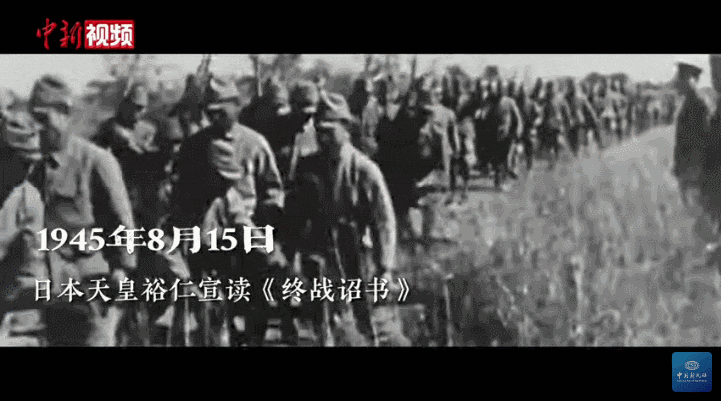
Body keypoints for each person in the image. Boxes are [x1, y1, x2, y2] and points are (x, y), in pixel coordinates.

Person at [166, 76, 288, 346]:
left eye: (221, 111)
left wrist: (268, 232)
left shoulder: (255, 144)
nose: (215, 118)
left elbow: (272, 191)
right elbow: (180, 197)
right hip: (207, 238)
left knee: (254, 305)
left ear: (236, 106)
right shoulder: (194, 146)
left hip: (249, 236)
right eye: (211, 113)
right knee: (210, 311)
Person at [284, 91, 401, 346]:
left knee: (363, 321)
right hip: (319, 256)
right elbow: (293, 218)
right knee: (323, 323)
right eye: (319, 131)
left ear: (346, 128)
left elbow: (384, 222)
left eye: (330, 131)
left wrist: (385, 268)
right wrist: (288, 261)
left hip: (356, 254)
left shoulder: (365, 170)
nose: (323, 138)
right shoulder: (307, 167)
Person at [28, 75, 137, 346]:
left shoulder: (96, 161)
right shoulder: (32, 167)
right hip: (53, 290)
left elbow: (123, 223)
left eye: (43, 119)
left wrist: (122, 270)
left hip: (92, 288)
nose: (37, 129)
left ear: (64, 115)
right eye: (33, 119)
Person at [0, 108, 47, 346]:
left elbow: (30, 266)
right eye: (21, 161)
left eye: (32, 163)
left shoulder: (29, 200)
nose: (28, 170)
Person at [673, 60, 713, 208]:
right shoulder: (690, 103)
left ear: (689, 80)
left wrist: (693, 171)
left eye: (679, 78)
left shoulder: (696, 105)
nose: (676, 82)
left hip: (694, 170)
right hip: (688, 169)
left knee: (696, 212)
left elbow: (700, 140)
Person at [487, 79, 524, 189]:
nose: (498, 91)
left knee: (506, 159)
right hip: (494, 135)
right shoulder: (491, 102)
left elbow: (517, 118)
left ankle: (503, 181)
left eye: (500, 88)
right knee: (496, 160)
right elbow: (487, 116)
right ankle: (498, 182)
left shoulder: (509, 102)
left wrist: (517, 131)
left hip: (507, 135)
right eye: (496, 88)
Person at [564, 78, 600, 157]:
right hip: (575, 119)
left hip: (578, 119)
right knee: (577, 137)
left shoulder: (579, 97)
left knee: (581, 136)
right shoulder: (568, 97)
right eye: (571, 86)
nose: (573, 87)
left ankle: (583, 152)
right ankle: (581, 153)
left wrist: (594, 117)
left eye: (573, 86)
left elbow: (589, 108)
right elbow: (589, 108)